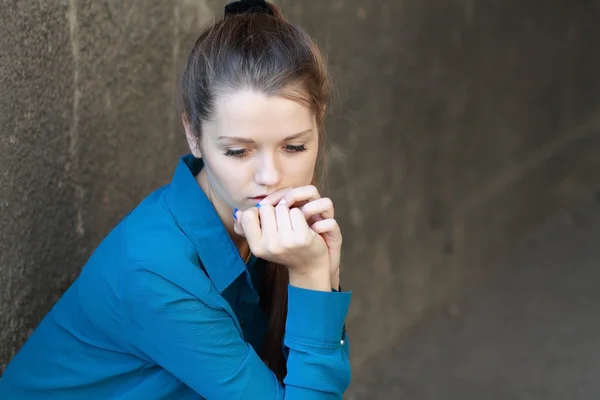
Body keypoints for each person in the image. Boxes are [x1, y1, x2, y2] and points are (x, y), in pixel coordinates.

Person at [0, 0, 351, 399]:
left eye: (294, 147)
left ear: (318, 124)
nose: (270, 178)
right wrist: (310, 276)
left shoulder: (268, 228)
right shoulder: (157, 273)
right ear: (193, 135)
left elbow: (306, 376)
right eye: (238, 151)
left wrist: (322, 276)